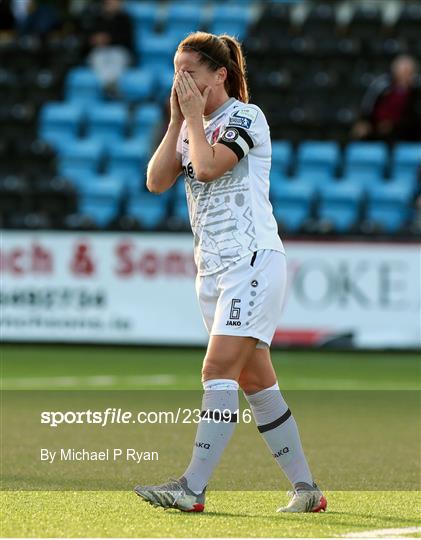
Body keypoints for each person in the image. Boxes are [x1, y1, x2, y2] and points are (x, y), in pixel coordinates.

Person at [134, 31, 327, 514]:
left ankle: (192, 488)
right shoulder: (188, 123)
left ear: (219, 74)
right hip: (213, 271)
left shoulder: (246, 116)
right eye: (176, 72)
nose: (180, 81)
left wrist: (195, 121)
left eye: (189, 72)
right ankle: (307, 492)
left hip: (252, 262)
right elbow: (156, 181)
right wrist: (179, 119)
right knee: (257, 383)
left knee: (216, 370)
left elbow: (207, 167)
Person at [351, 55, 421, 142]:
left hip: (407, 128)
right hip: (379, 126)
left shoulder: (417, 89)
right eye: (403, 70)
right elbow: (368, 106)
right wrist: (365, 121)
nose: (405, 73)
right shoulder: (382, 84)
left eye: (408, 71)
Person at [87, 0, 134, 94]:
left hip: (119, 51)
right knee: (97, 58)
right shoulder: (97, 19)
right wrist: (96, 40)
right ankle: (110, 87)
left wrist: (109, 39)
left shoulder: (125, 19)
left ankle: (109, 87)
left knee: (117, 59)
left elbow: (128, 41)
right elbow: (88, 39)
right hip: (100, 51)